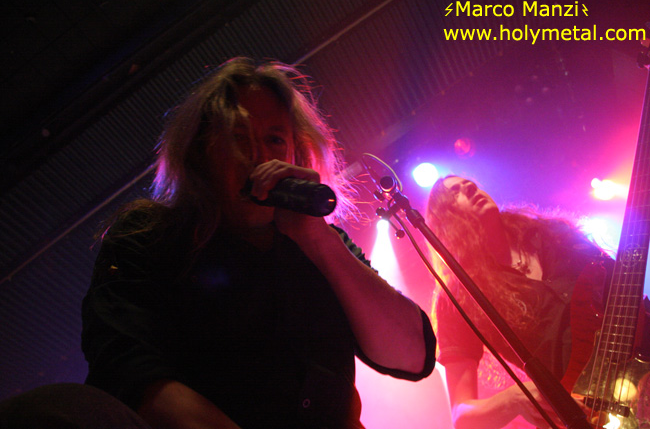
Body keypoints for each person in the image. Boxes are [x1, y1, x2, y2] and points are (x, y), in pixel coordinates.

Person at [81, 57, 436, 429]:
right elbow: (129, 376)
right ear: (201, 154)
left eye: (274, 140)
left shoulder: (321, 242)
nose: (260, 158)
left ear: (298, 153)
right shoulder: (148, 237)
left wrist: (320, 241)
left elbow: (412, 356)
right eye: (237, 138)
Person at [425, 175, 613, 429]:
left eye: (471, 184)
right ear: (446, 222)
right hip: (586, 415)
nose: (469, 187)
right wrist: (515, 398)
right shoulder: (461, 298)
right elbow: (462, 416)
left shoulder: (551, 234)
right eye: (455, 193)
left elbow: (620, 280)